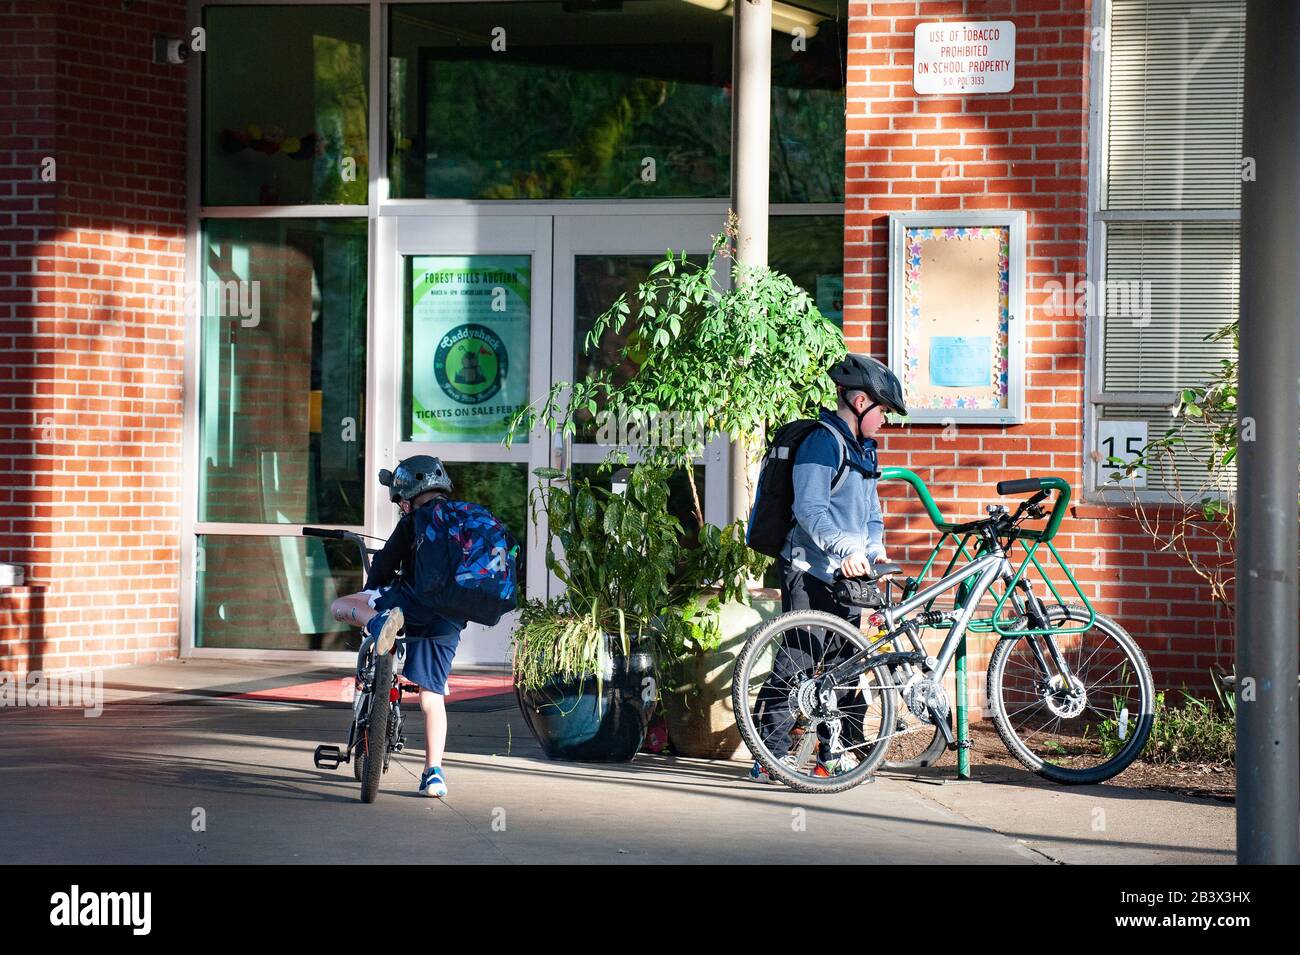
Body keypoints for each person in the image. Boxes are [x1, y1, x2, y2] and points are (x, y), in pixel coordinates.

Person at [750, 353, 907, 782]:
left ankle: (834, 754)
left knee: (846, 665)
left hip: (848, 574)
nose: (886, 422)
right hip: (809, 568)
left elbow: (872, 511)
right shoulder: (822, 442)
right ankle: (769, 758)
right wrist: (843, 547)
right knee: (797, 664)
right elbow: (810, 508)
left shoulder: (863, 448)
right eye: (884, 412)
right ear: (860, 402)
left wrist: (874, 550)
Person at [330, 455, 467, 798]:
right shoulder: (464, 520)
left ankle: (377, 623)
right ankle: (434, 774)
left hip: (411, 606)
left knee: (343, 604)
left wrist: (375, 588)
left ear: (406, 500)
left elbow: (380, 574)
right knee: (432, 696)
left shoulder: (413, 522)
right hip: (449, 616)